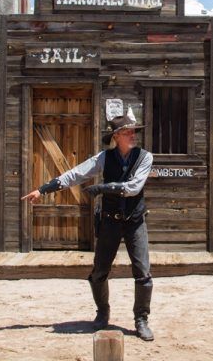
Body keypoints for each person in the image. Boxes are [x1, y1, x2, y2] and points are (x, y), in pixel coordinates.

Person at [21, 116, 155, 341]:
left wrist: (103, 187)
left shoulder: (145, 157)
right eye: (127, 132)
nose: (133, 135)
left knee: (143, 274)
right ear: (116, 137)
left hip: (135, 222)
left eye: (134, 131)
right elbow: (76, 174)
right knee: (99, 272)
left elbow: (133, 188)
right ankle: (103, 313)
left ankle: (141, 320)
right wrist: (43, 189)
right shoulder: (105, 158)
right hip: (109, 222)